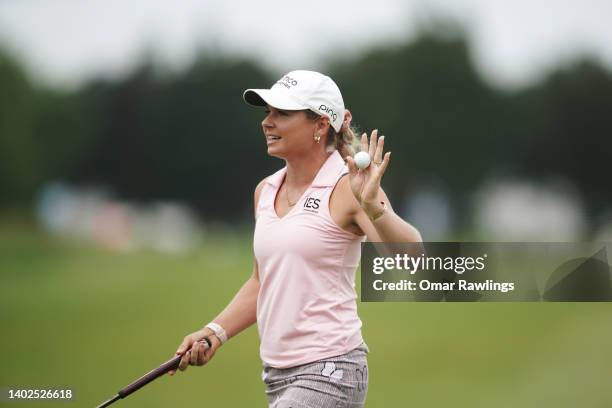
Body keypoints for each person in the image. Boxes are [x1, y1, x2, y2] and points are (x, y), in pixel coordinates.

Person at [168, 70, 422, 407]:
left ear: (320, 125)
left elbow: (413, 258)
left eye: (282, 113)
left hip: (331, 370)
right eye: (267, 113)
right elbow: (262, 281)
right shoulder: (265, 190)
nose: (267, 122)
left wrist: (374, 208)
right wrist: (216, 331)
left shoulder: (349, 186)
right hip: (276, 375)